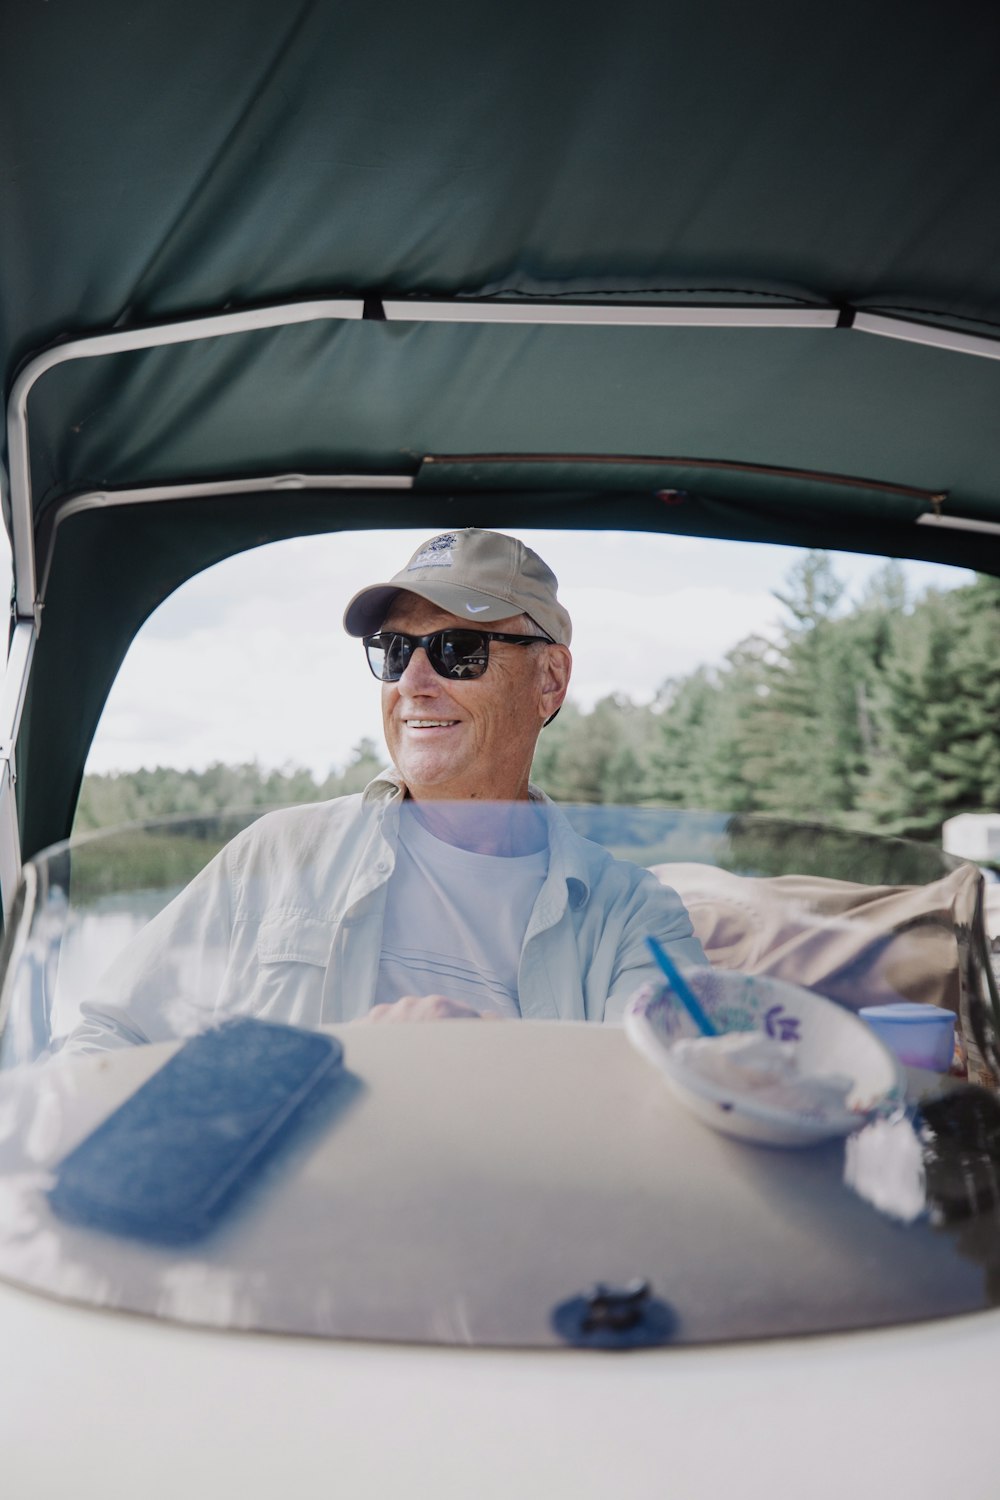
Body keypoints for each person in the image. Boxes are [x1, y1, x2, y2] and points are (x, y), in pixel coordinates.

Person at [68, 528, 705, 1050]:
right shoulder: (276, 854)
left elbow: (668, 1112)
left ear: (549, 680)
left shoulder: (634, 919)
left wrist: (480, 1058)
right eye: (396, 650)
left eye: (460, 649)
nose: (414, 682)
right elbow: (108, 1037)